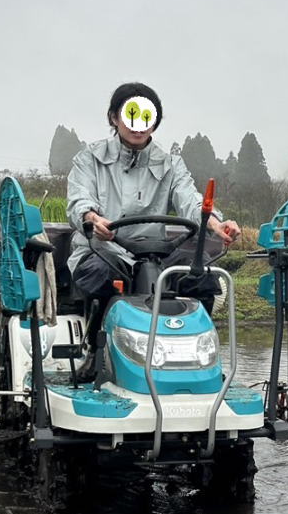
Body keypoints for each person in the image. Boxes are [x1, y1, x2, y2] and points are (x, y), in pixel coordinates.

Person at [66, 82, 241, 381]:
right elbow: (79, 200)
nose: (138, 125)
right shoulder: (88, 159)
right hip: (101, 249)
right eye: (130, 114)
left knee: (203, 282)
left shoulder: (171, 164)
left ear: (155, 122)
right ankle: (96, 352)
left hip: (155, 256)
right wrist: (93, 219)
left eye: (147, 117)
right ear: (113, 118)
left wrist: (215, 224)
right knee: (101, 275)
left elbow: (191, 200)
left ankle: (199, 360)